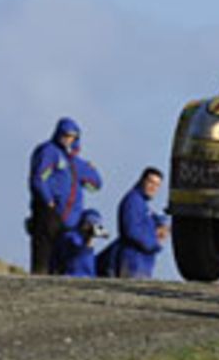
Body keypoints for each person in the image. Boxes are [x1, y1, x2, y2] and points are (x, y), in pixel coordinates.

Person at [28, 117, 102, 274]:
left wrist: (92, 169)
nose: (68, 140)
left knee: (62, 267)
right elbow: (38, 178)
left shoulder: (74, 162)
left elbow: (96, 184)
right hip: (50, 215)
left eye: (72, 137)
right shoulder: (48, 151)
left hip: (70, 224)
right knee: (43, 262)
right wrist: (48, 201)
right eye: (66, 135)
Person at [114, 167, 169, 279]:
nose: (153, 188)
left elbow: (150, 219)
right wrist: (155, 243)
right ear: (142, 181)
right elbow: (132, 231)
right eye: (150, 182)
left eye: (157, 185)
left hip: (142, 262)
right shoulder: (133, 201)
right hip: (133, 262)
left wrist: (161, 224)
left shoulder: (142, 204)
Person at [52, 208, 106, 277]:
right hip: (72, 277)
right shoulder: (71, 236)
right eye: (89, 223)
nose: (91, 226)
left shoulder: (87, 239)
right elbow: (77, 254)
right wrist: (89, 239)